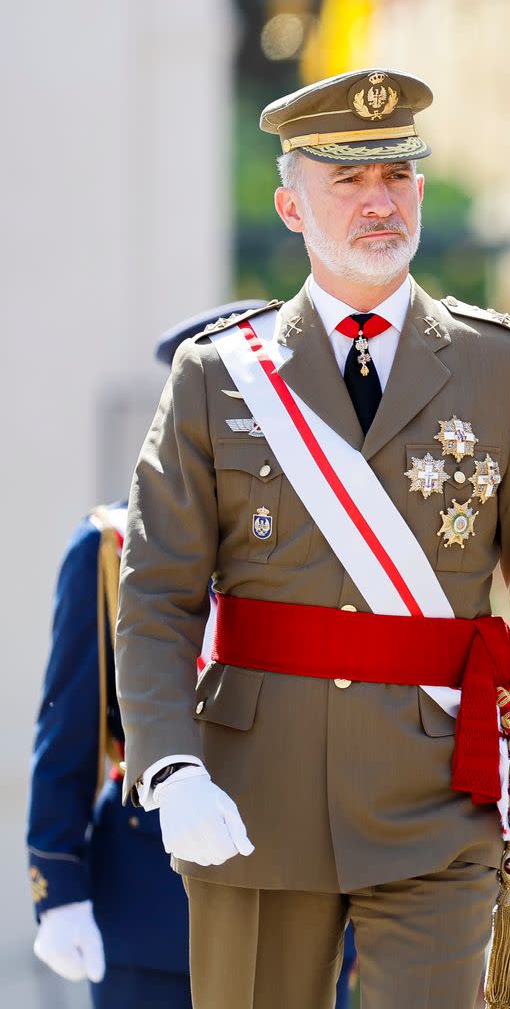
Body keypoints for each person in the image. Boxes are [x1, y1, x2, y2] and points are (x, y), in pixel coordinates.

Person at [116, 68, 510, 1009]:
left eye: (398, 176)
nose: (379, 202)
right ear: (289, 205)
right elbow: (157, 592)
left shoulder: (504, 365)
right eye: (347, 180)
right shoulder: (219, 377)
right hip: (252, 791)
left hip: (439, 794)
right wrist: (170, 767)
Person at [27, 301, 262, 1009]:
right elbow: (66, 730)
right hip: (152, 895)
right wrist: (57, 884)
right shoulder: (111, 547)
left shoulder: (319, 552)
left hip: (302, 887)